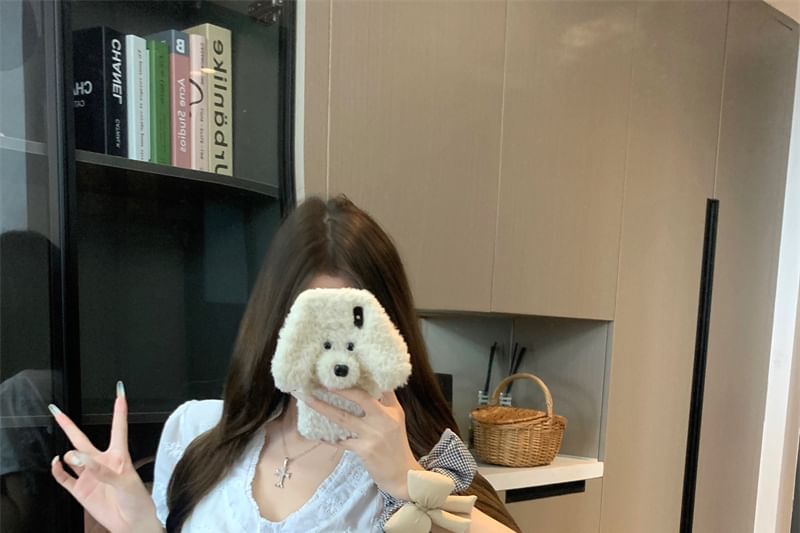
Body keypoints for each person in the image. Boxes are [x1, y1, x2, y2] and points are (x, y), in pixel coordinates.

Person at [48, 195, 521, 532]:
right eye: (311, 324)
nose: (331, 357)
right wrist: (138, 525)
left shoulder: (417, 463)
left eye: (354, 323)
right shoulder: (197, 432)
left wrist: (403, 480)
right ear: (274, 324)